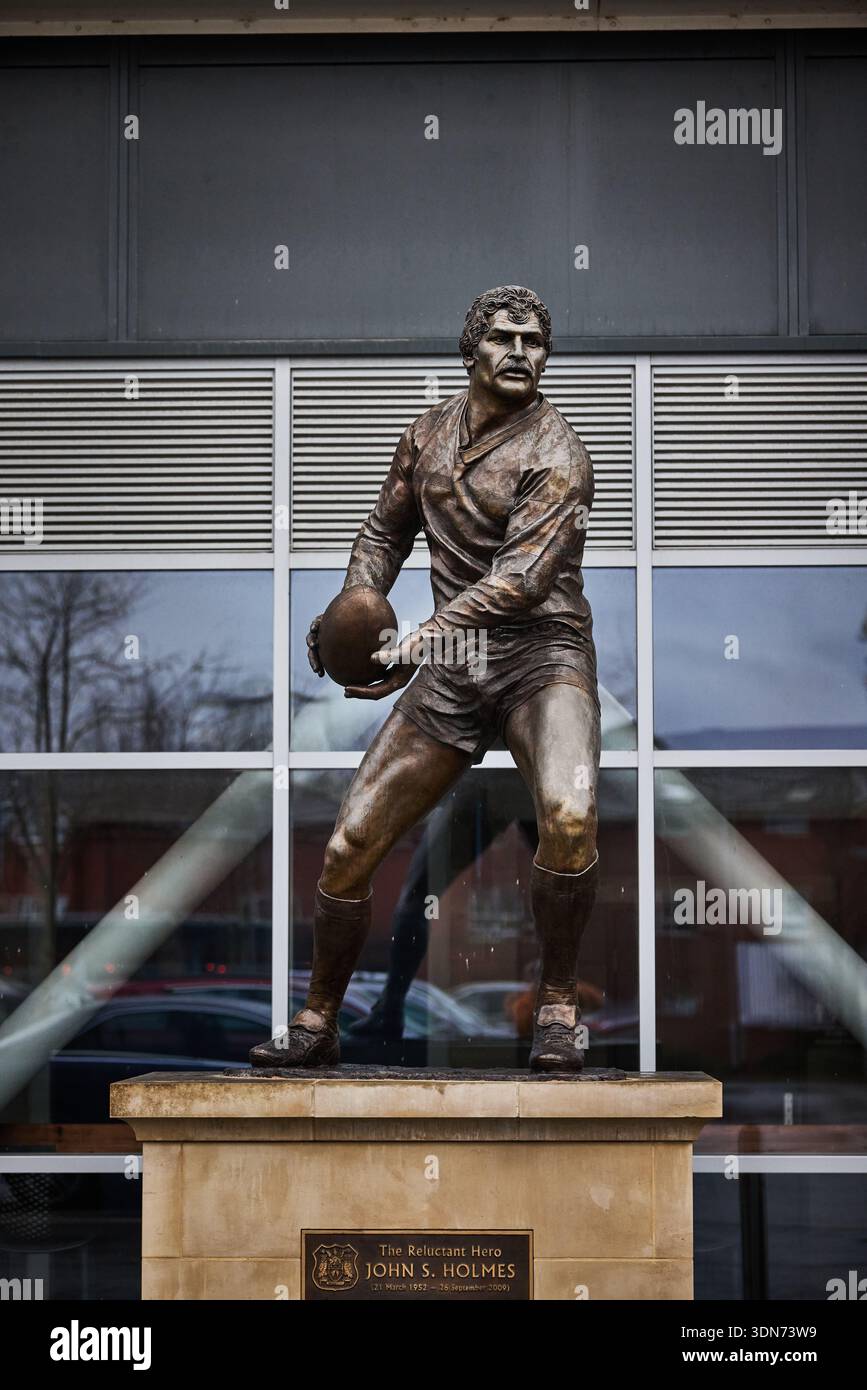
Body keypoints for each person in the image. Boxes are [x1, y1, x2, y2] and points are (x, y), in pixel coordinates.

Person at [250, 284, 601, 1072]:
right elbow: (382, 533)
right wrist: (353, 611)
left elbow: (519, 583)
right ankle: (318, 1020)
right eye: (503, 338)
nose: (519, 353)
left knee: (569, 815)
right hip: (456, 668)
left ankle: (555, 1006)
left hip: (542, 657)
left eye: (533, 343)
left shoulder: (559, 455)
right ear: (470, 349)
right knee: (348, 843)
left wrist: (412, 645)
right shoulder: (425, 434)